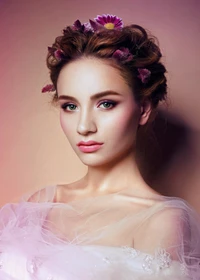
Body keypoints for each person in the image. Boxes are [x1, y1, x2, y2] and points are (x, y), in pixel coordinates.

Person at [0, 13, 200, 280]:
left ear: (143, 109)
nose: (84, 127)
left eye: (106, 103)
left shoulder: (161, 221)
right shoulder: (40, 206)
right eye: (70, 106)